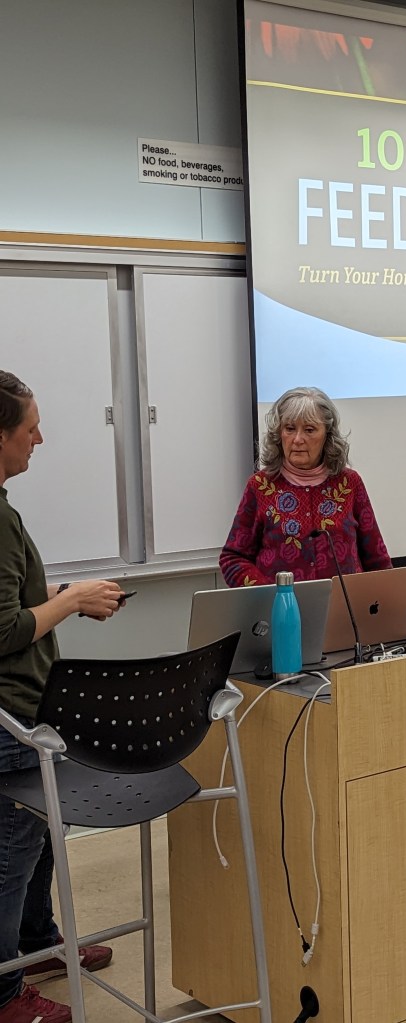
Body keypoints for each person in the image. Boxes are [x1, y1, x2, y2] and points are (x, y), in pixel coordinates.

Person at [0, 371, 128, 1023]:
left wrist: (63, 598)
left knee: (41, 832)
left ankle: (35, 943)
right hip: (12, 715)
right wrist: (72, 600)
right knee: (12, 849)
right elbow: (3, 630)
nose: (40, 439)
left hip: (27, 709)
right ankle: (2, 993)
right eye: (30, 429)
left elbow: (17, 602)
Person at [220, 386, 391, 586]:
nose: (297, 439)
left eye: (309, 430)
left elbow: (377, 560)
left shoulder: (349, 483)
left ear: (327, 435)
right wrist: (271, 594)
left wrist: (387, 600)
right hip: (280, 605)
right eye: (290, 428)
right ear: (279, 433)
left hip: (346, 604)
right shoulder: (260, 486)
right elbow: (233, 559)